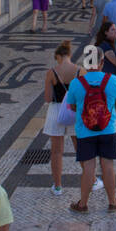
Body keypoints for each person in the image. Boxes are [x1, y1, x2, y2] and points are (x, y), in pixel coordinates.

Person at [65, 60, 116, 214]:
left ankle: (82, 204)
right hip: (108, 129)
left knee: (88, 168)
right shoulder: (113, 80)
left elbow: (72, 106)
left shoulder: (76, 83)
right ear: (102, 62)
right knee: (108, 166)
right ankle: (112, 202)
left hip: (85, 131)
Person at [43, 40, 82, 197]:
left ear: (58, 56)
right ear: (70, 55)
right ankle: (91, 179)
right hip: (74, 110)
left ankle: (58, 186)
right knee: (80, 148)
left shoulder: (51, 72)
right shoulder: (80, 70)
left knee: (56, 152)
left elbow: (47, 98)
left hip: (56, 111)